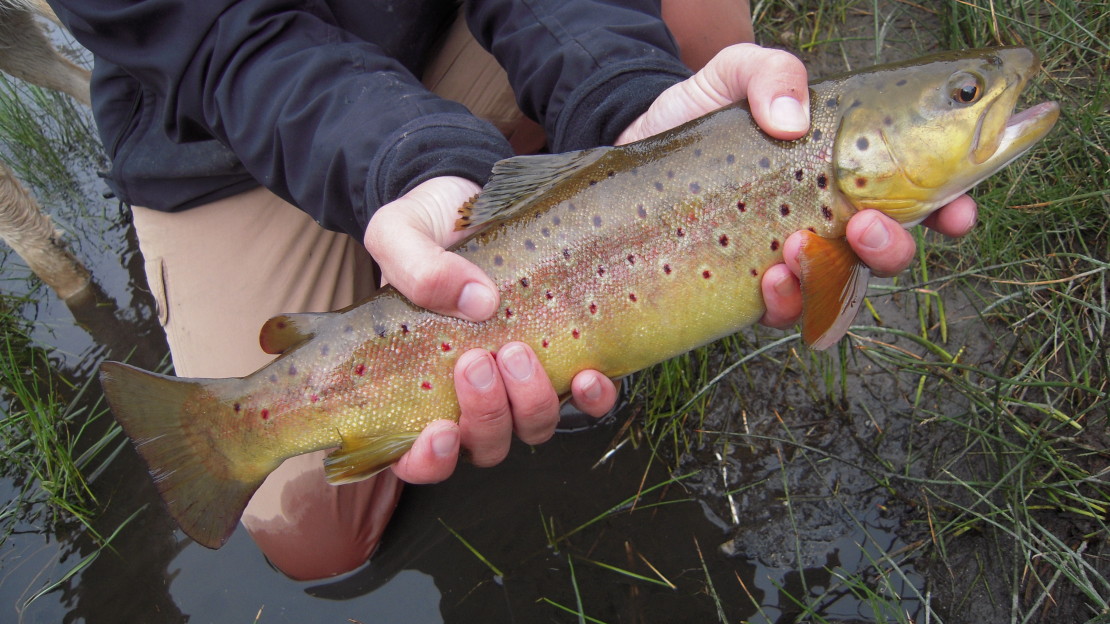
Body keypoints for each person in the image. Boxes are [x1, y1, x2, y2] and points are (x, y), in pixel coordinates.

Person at [47, 0, 977, 580]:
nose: (986, 99)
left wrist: (626, 116)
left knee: (701, 29)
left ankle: (542, 162)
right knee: (314, 539)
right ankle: (432, 231)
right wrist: (411, 161)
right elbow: (226, 39)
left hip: (449, 15)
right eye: (966, 97)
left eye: (960, 95)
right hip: (226, 110)